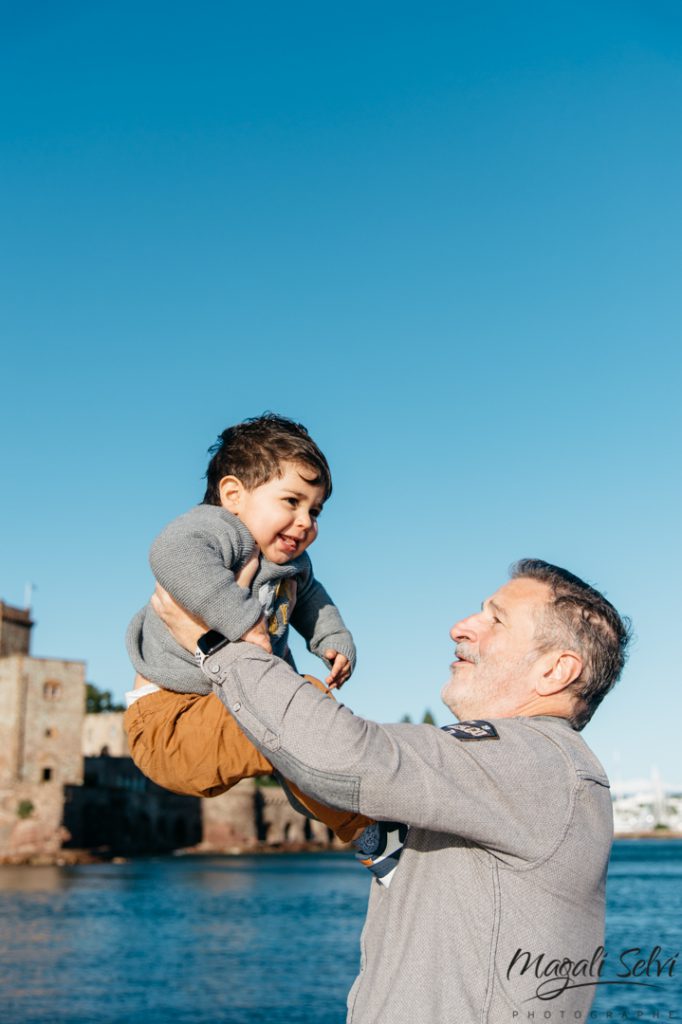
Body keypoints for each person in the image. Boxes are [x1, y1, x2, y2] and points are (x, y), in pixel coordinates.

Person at [152, 558, 631, 1022]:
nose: (461, 627)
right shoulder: (521, 776)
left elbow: (344, 757)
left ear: (555, 671)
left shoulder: (535, 761)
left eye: (496, 620)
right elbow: (354, 804)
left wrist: (220, 646)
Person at [124, 412, 370, 845]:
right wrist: (245, 624)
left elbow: (313, 599)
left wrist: (333, 639)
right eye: (291, 502)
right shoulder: (219, 530)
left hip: (225, 711)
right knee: (302, 709)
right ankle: (367, 827)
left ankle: (367, 831)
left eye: (315, 511)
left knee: (308, 727)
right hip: (170, 720)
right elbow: (171, 554)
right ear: (233, 495)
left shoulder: (291, 565)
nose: (306, 522)